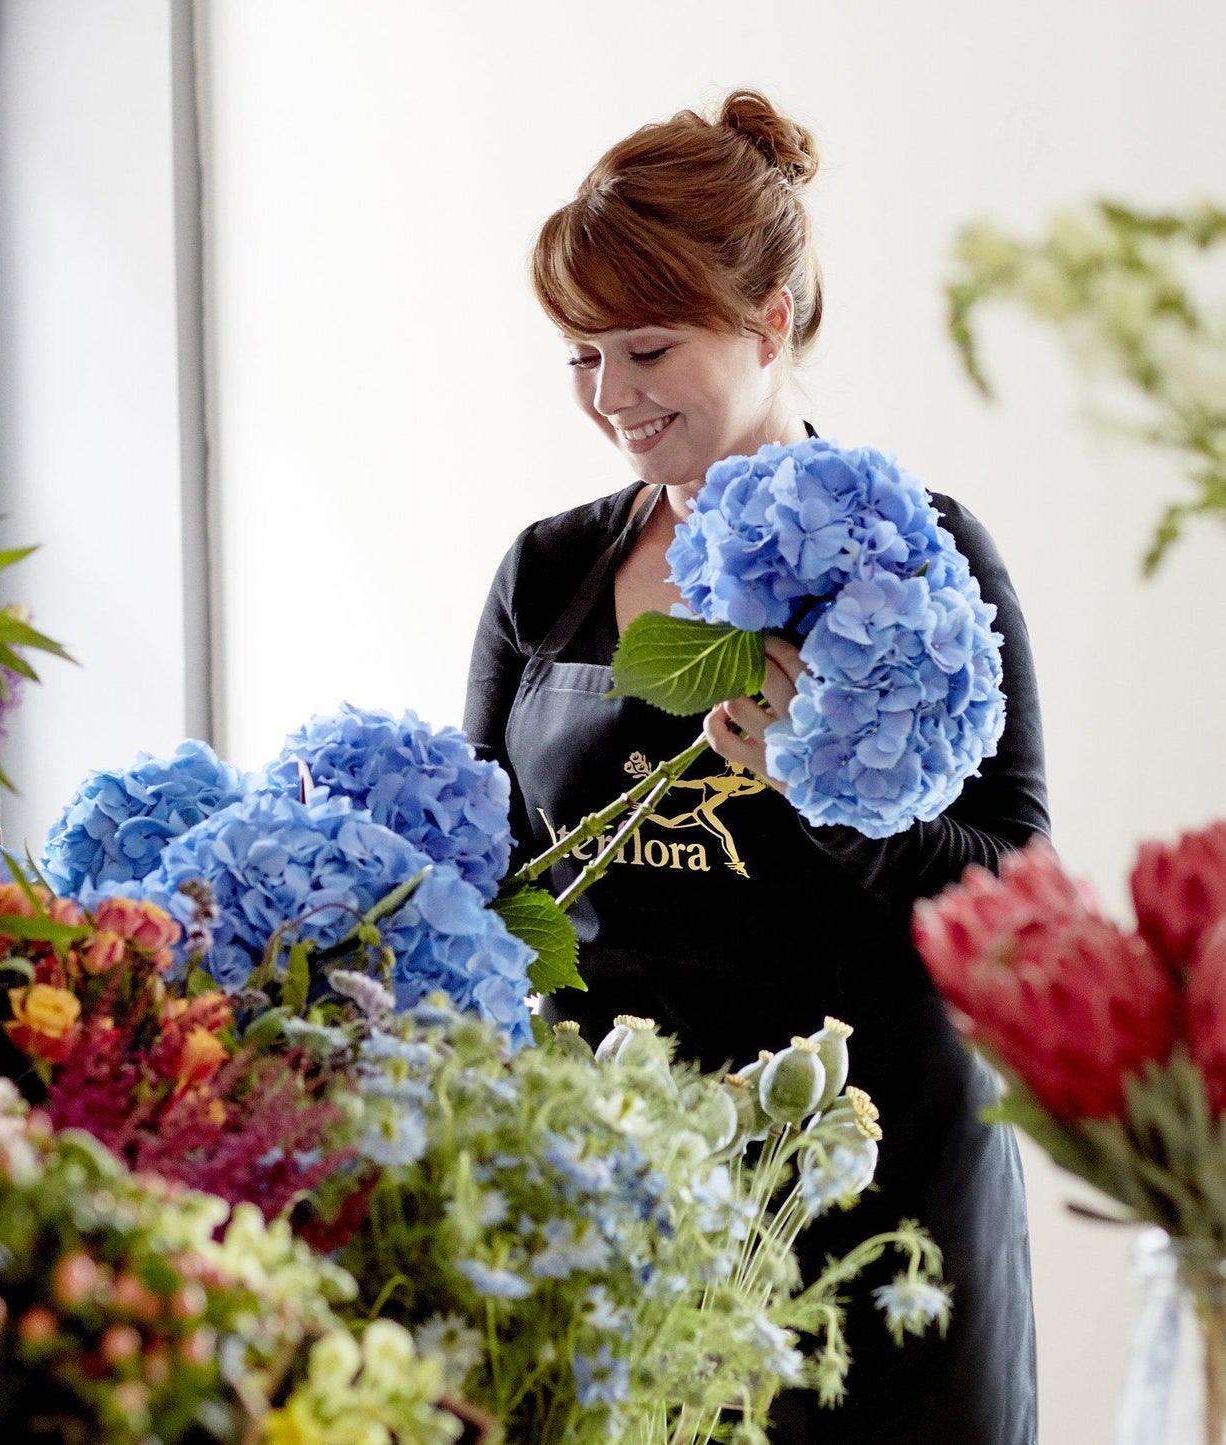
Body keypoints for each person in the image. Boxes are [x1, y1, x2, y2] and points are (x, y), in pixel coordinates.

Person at [463, 89, 1047, 1445]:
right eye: (579, 355)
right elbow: (488, 885)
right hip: (621, 1193)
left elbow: (1014, 889)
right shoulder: (549, 573)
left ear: (770, 320)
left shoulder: (918, 563)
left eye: (647, 348)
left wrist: (824, 789)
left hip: (872, 1197)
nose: (609, 397)